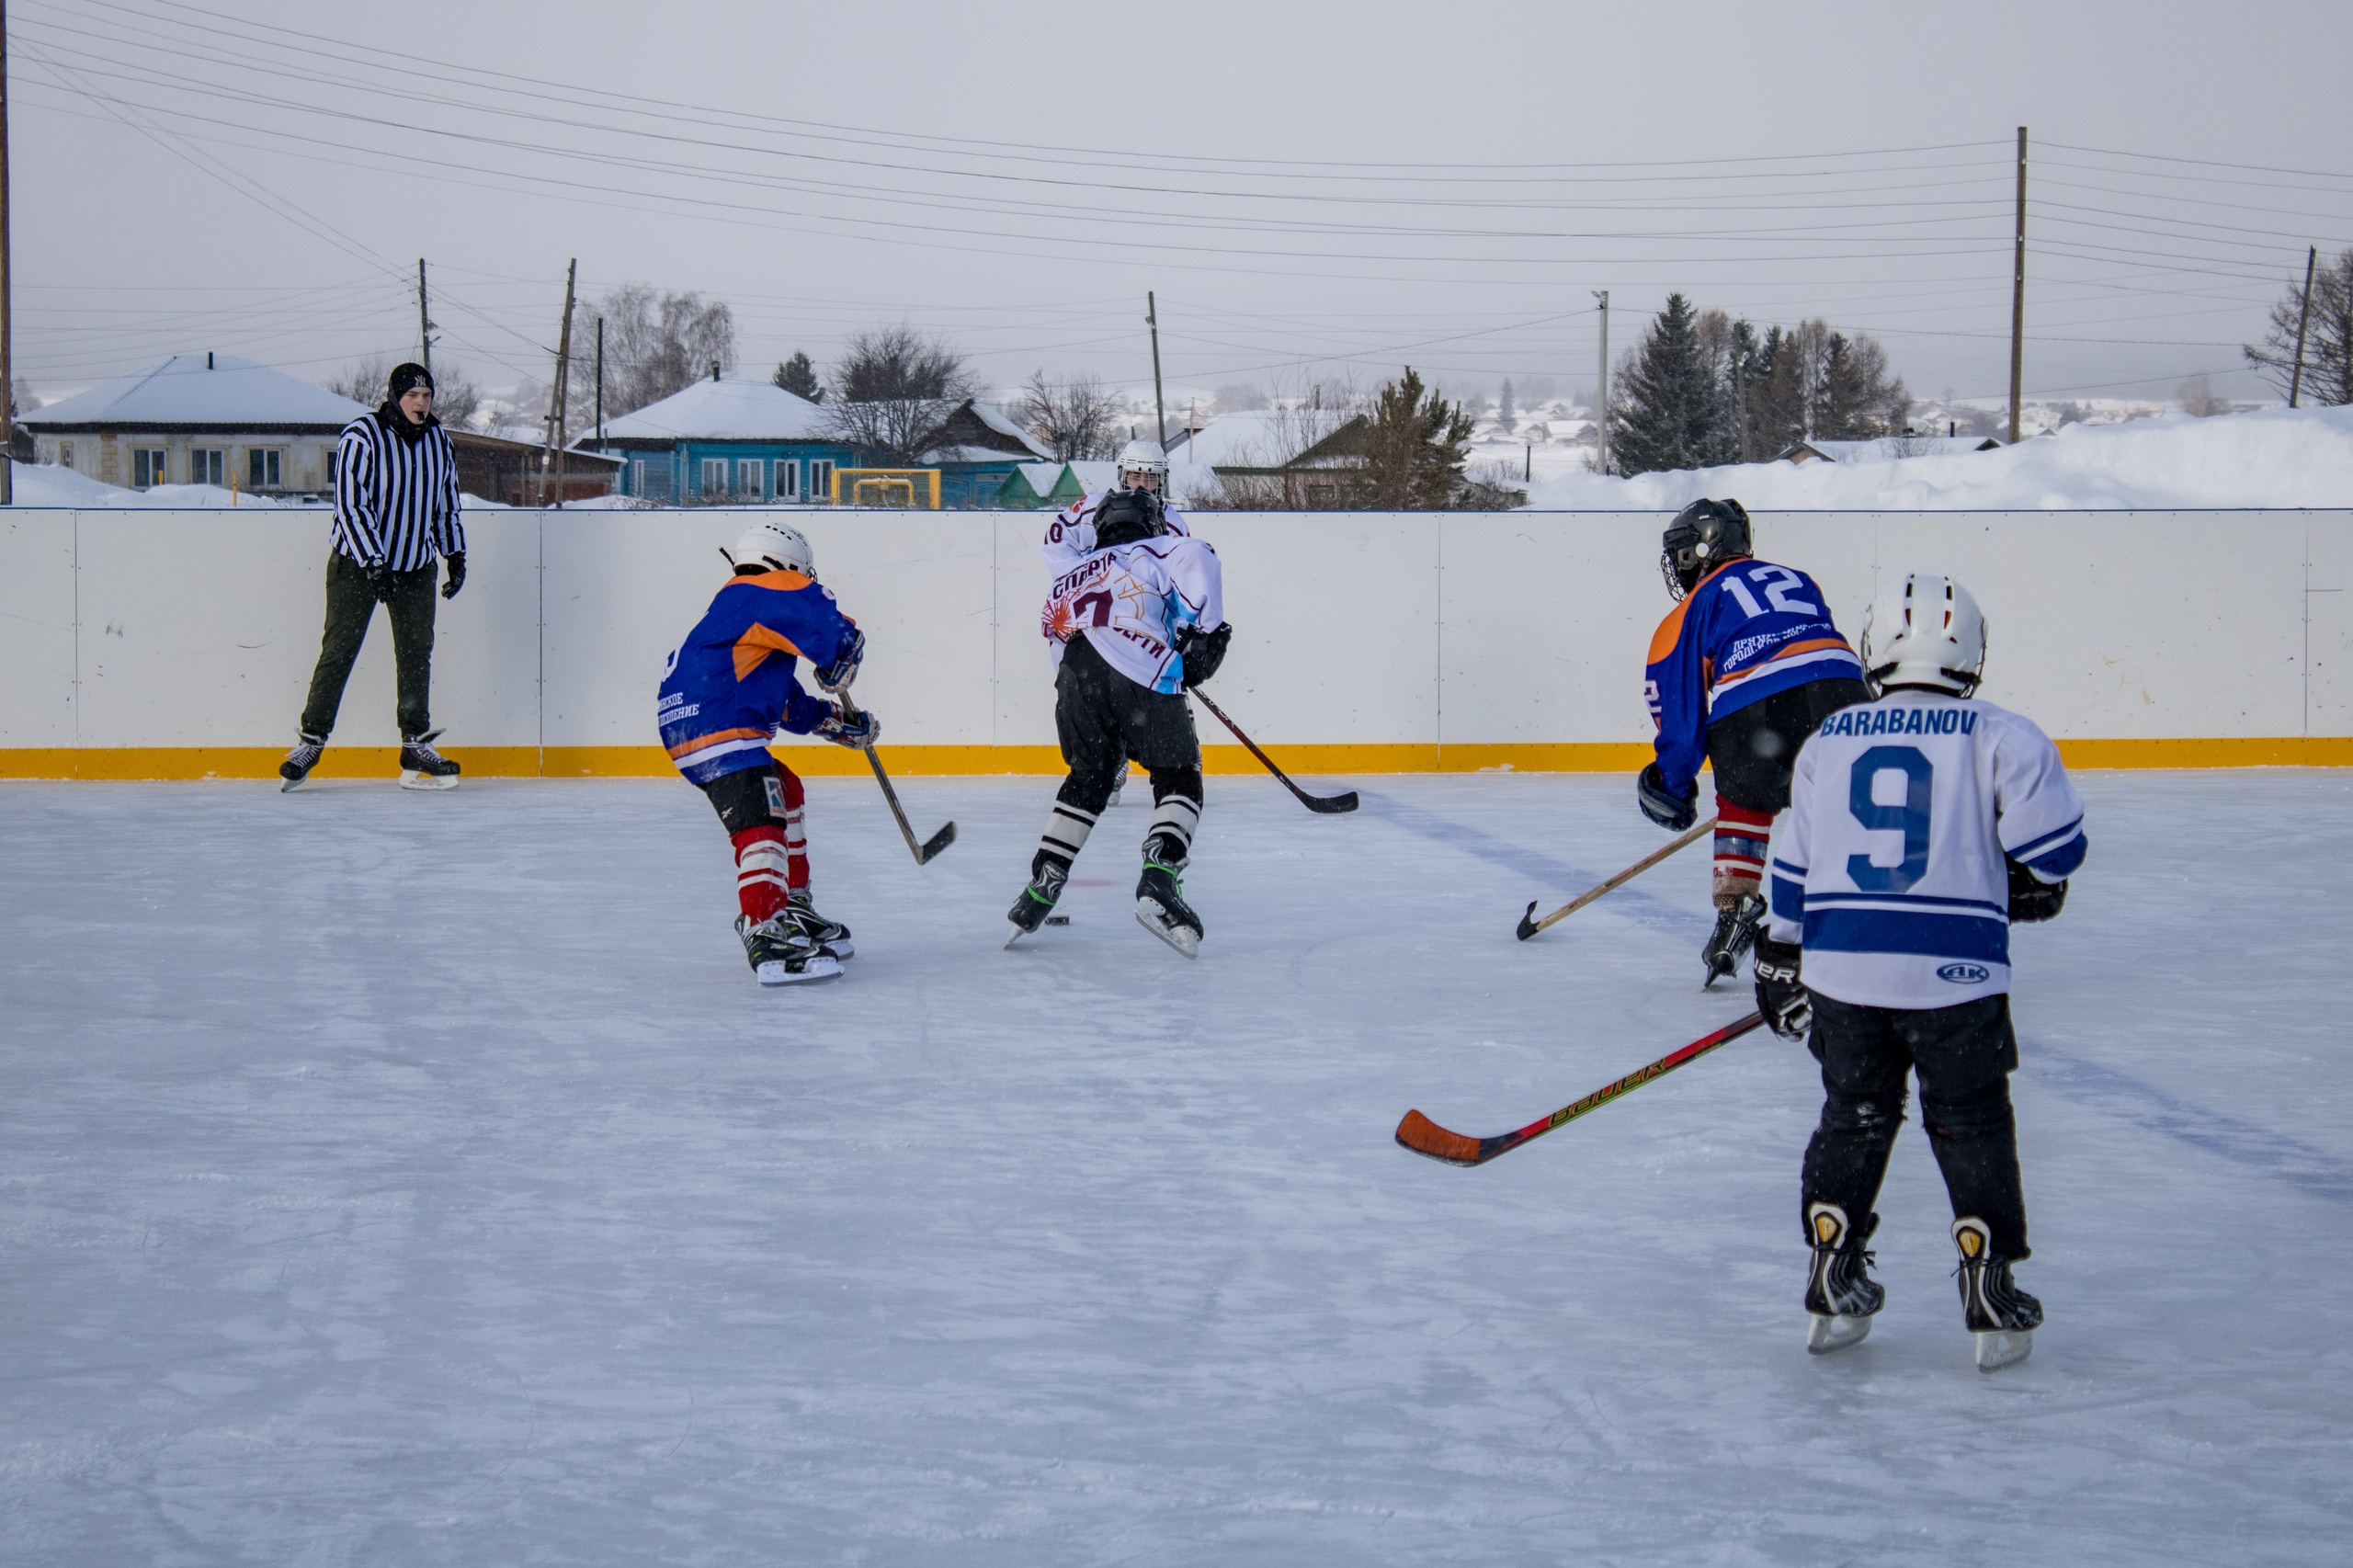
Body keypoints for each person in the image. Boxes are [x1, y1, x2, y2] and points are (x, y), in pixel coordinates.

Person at [1753, 573, 2086, 1371]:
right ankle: (1989, 1276)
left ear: (1876, 650)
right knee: (1969, 1118)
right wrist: (2020, 880)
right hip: (1955, 976)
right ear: (1971, 651)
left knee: (1854, 1111)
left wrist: (1779, 956)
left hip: (1843, 974)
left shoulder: (1829, 740)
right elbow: (2056, 854)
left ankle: (1832, 1259)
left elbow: (1791, 870)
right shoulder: (2004, 734)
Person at [1638, 498, 1870, 983]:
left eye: (1683, 552)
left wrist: (1672, 788)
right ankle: (1863, 909)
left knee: (1745, 793)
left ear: (1702, 551)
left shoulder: (1694, 605)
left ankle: (1735, 912)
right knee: (1841, 804)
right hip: (1847, 694)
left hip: (1758, 709)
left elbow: (1680, 722)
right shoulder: (1801, 579)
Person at [1006, 471, 1232, 958]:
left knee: (1088, 777)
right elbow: (1201, 558)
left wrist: (1083, 696)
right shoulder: (1154, 551)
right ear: (1150, 523)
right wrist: (1208, 636)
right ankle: (1160, 874)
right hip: (1137, 669)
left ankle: (1042, 883)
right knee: (1178, 774)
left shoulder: (1068, 576)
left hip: (1074, 675)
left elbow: (1056, 639)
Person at [657, 521, 875, 986]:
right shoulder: (759, 590)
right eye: (801, 575)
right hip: (720, 726)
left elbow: (784, 700)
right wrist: (844, 650)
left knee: (785, 790)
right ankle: (763, 923)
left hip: (694, 725)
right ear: (788, 565)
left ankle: (792, 904)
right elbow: (823, 620)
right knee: (760, 820)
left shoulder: (741, 616)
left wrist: (836, 722)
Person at [279, 361, 468, 791]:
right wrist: (374, 562)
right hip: (358, 564)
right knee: (340, 648)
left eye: (426, 396)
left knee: (416, 650)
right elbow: (350, 505)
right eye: (412, 396)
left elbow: (445, 503)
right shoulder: (361, 436)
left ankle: (415, 741)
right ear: (395, 397)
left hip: (416, 563)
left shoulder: (440, 441)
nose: (420, 404)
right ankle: (312, 739)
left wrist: (454, 552)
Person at [1042, 438, 1188, 812]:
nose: (1142, 485)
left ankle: (1165, 763)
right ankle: (1107, 756)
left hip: (1144, 623)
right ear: (1123, 474)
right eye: (1136, 475)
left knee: (1152, 692)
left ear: (1163, 481)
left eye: (1151, 478)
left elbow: (1180, 580)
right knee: (1082, 686)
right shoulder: (1093, 508)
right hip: (1093, 623)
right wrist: (1094, 579)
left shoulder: (1173, 522)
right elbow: (1055, 545)